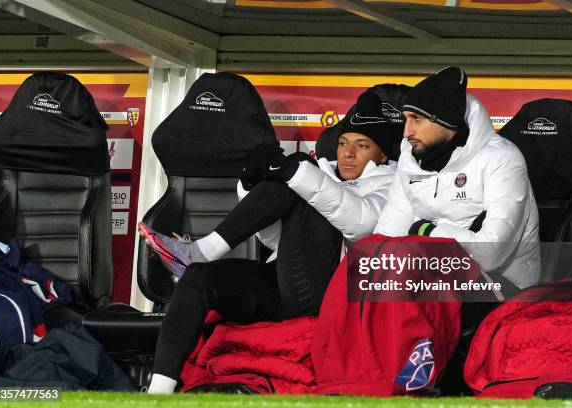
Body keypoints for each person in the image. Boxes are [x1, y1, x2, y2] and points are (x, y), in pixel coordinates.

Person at [141, 91, 400, 394]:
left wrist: (297, 173)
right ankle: (158, 391)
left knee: (302, 169)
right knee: (200, 278)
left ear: (383, 154)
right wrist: (252, 188)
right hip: (285, 284)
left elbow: (361, 223)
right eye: (343, 143)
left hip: (328, 295)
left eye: (362, 145)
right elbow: (277, 239)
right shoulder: (325, 172)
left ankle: (202, 249)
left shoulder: (392, 187)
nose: (348, 153)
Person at [374, 66, 540, 294]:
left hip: (503, 287)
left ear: (445, 121)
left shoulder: (502, 158)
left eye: (416, 119)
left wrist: (427, 232)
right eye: (405, 119)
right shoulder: (409, 160)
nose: (406, 131)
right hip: (434, 275)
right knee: (369, 283)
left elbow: (491, 253)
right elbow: (386, 236)